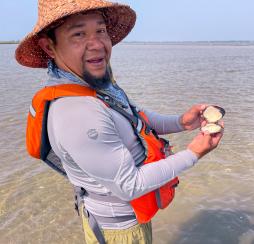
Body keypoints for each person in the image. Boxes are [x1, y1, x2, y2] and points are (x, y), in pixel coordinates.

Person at [15, 0, 224, 243]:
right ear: (49, 47)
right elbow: (129, 185)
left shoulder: (90, 85)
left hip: (119, 218)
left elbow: (134, 116)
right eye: (79, 34)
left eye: (100, 31)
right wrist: (194, 153)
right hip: (118, 231)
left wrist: (182, 123)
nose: (97, 44)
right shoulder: (76, 111)